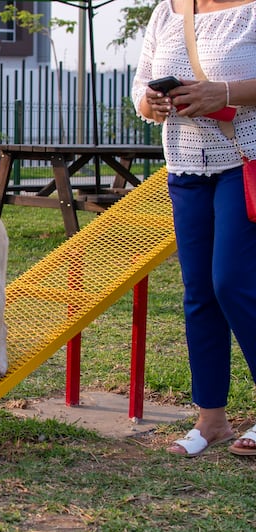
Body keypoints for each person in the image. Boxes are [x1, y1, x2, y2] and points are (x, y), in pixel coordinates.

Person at [132, 0, 256, 456]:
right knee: (199, 291)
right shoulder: (168, 10)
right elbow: (138, 89)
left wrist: (223, 93)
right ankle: (212, 420)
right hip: (184, 166)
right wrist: (154, 101)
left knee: (233, 283)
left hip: (245, 163)